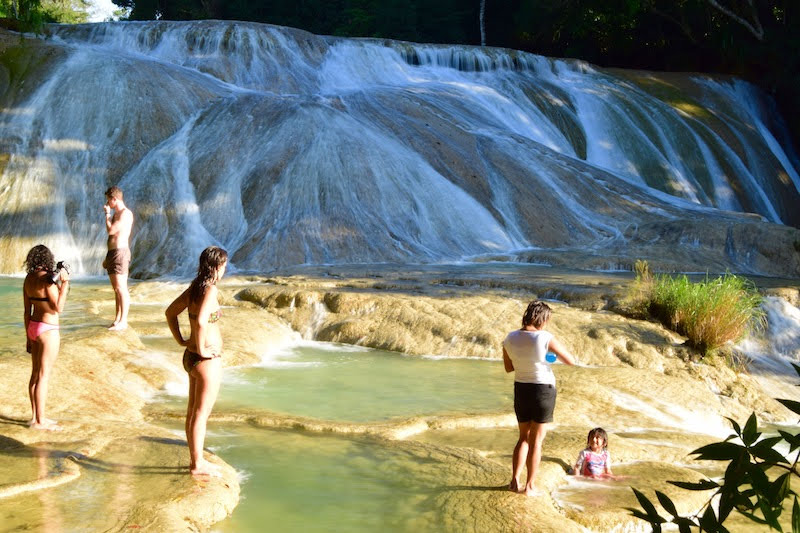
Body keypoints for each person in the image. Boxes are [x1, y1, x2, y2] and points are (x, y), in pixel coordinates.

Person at [165, 246, 228, 476]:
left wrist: (182, 340)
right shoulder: (210, 289)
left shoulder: (195, 288)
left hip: (190, 357)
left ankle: (196, 459)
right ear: (217, 267)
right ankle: (197, 464)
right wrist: (202, 348)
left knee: (192, 412)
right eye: (224, 266)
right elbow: (202, 321)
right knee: (201, 414)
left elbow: (170, 312)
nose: (225, 269)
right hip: (204, 361)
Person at [503, 300, 576, 496]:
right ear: (541, 319)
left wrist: (533, 360)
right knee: (537, 441)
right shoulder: (544, 337)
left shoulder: (509, 338)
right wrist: (548, 358)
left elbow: (509, 368)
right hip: (543, 390)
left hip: (521, 389)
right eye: (547, 320)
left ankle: (514, 481)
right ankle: (530, 486)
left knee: (523, 438)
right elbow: (570, 361)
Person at [23, 244, 70, 430]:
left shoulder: (28, 279)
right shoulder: (48, 281)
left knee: (35, 374)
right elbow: (58, 307)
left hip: (34, 327)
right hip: (48, 329)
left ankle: (35, 417)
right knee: (43, 376)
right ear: (48, 260)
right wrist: (64, 284)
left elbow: (27, 311)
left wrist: (28, 336)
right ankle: (41, 422)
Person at [102, 186, 133, 331]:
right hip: (113, 253)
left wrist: (107, 215)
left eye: (108, 200)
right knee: (117, 289)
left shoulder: (125, 214)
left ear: (114, 199)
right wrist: (106, 258)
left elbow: (111, 230)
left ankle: (124, 321)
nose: (107, 203)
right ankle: (117, 319)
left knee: (121, 288)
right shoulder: (117, 214)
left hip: (120, 253)